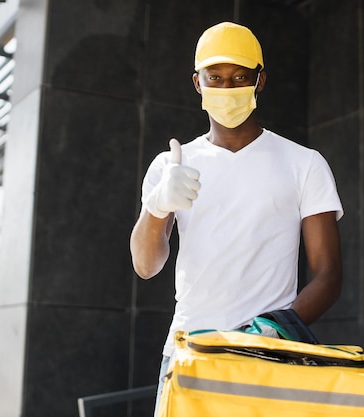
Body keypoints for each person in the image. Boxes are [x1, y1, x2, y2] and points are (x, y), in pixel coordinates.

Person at [130, 21, 343, 415]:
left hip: (269, 357)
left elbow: (329, 276)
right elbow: (145, 266)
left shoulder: (304, 164)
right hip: (189, 353)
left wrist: (270, 329)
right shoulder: (172, 165)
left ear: (260, 81)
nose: (227, 90)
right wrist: (157, 208)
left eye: (239, 77)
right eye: (215, 78)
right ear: (198, 83)